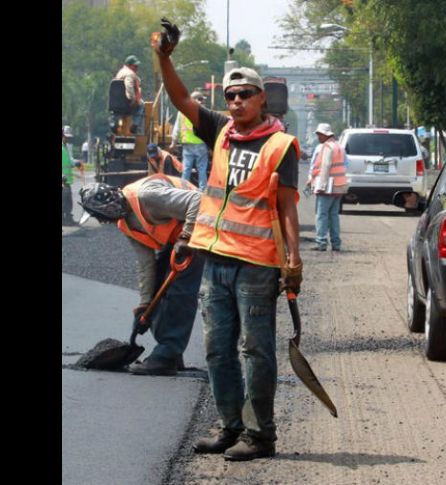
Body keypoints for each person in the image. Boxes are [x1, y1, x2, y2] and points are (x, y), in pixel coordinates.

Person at [153, 18, 303, 461]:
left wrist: (293, 262)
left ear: (262, 99)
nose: (236, 102)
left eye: (244, 95)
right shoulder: (219, 132)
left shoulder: (281, 146)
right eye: (230, 96)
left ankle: (261, 435)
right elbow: (180, 98)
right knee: (218, 349)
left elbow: (287, 208)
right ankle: (230, 425)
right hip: (215, 259)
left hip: (257, 265)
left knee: (255, 350)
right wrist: (164, 57)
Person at [78, 174, 204, 376]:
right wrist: (144, 306)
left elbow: (199, 201)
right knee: (157, 294)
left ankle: (166, 357)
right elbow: (146, 265)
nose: (101, 221)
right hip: (177, 240)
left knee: (179, 293)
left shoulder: (147, 196)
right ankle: (171, 352)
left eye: (99, 216)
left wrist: (186, 237)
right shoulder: (126, 224)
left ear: (107, 208)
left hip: (201, 230)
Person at [305, 123, 348, 251]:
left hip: (327, 186)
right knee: (334, 215)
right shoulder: (339, 147)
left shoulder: (326, 147)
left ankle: (321, 242)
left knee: (321, 214)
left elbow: (325, 166)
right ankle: (336, 243)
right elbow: (345, 165)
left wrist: (321, 186)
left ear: (325, 135)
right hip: (339, 186)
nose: (318, 137)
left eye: (319, 135)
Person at [171, 91, 211, 191]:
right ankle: (202, 190)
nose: (202, 102)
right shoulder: (203, 112)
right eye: (201, 99)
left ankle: (184, 189)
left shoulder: (182, 111)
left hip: (187, 144)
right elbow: (209, 129)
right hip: (200, 144)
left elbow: (177, 129)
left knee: (186, 168)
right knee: (201, 168)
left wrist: (173, 142)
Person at [115, 55, 145, 134]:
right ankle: (135, 125)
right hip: (126, 103)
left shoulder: (120, 72)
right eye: (135, 66)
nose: (137, 68)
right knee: (142, 105)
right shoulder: (130, 74)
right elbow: (129, 86)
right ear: (129, 65)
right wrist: (133, 99)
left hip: (117, 103)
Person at [62, 130, 82, 226]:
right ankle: (64, 220)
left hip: (67, 180)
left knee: (68, 200)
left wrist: (76, 163)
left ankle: (68, 218)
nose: (68, 139)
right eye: (66, 137)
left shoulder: (65, 147)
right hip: (62, 179)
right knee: (64, 200)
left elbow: (69, 160)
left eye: (69, 138)